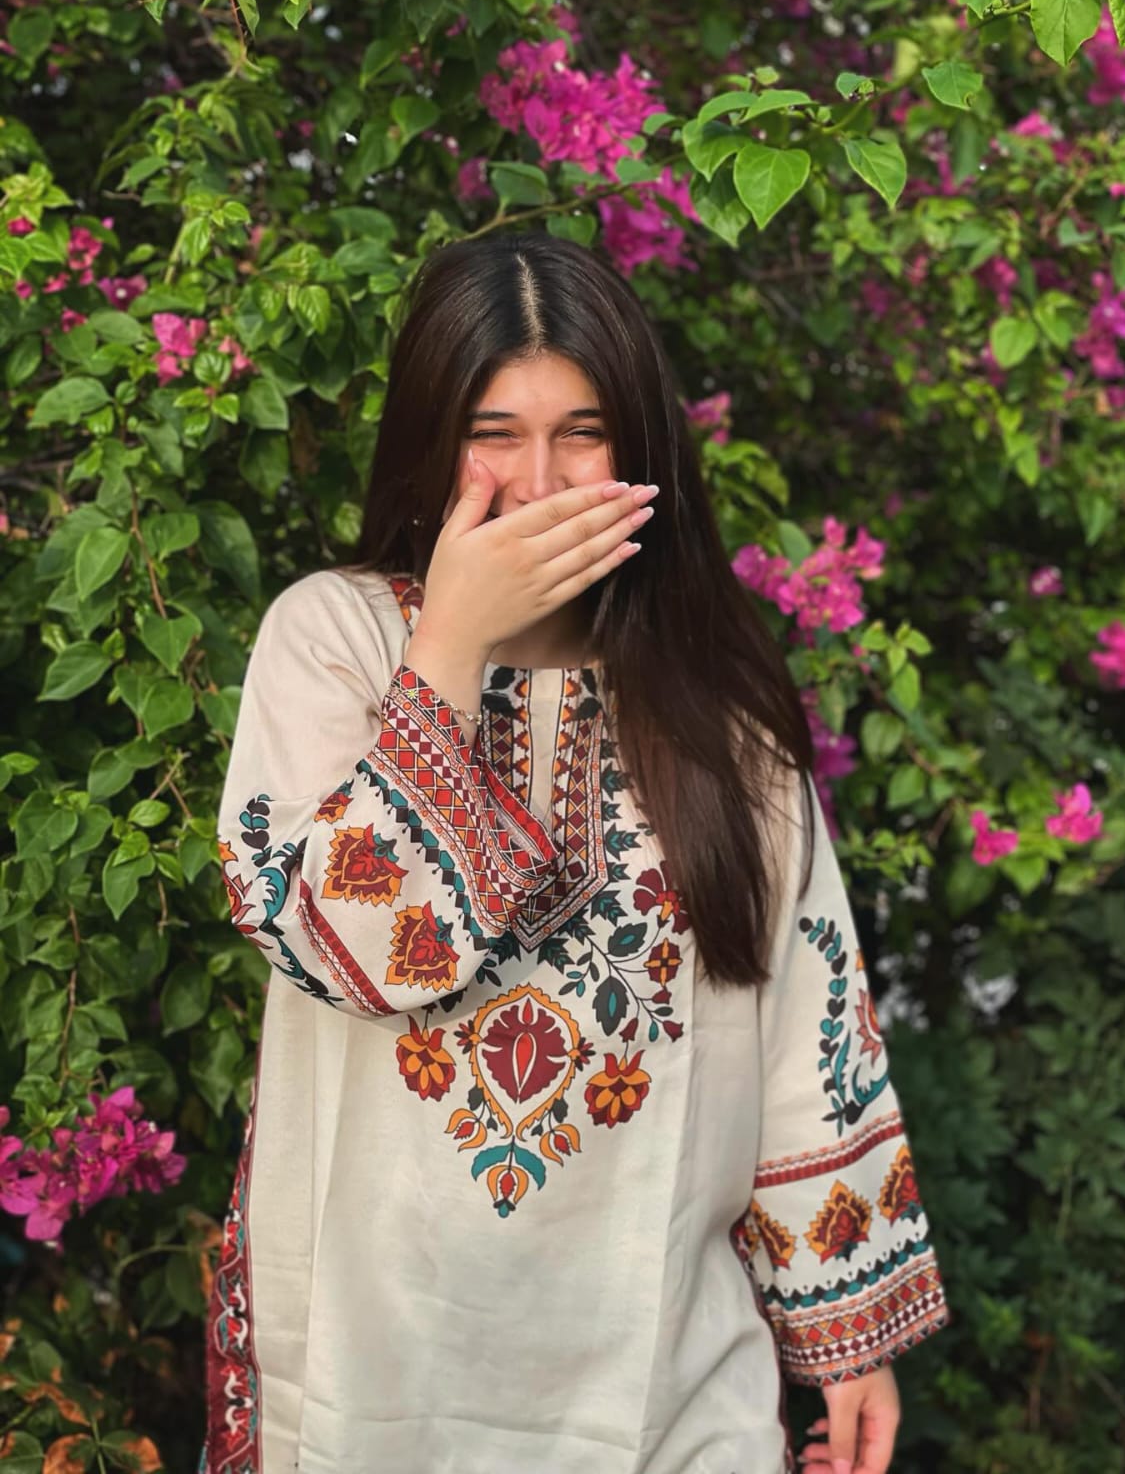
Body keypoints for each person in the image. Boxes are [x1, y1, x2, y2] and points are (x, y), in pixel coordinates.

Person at [203, 231, 951, 1474]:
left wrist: (846, 1336)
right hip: (368, 1376)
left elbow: (800, 1019)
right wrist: (447, 644)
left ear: (640, 447)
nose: (541, 481)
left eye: (583, 433)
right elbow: (365, 952)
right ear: (433, 441)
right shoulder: (329, 642)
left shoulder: (713, 705)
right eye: (493, 433)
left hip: (664, 1381)